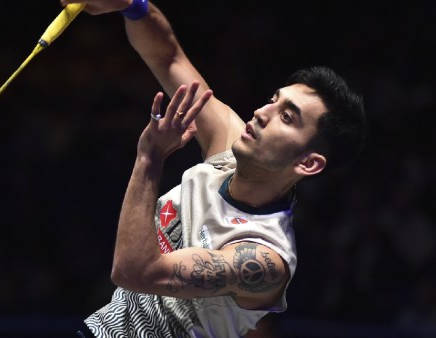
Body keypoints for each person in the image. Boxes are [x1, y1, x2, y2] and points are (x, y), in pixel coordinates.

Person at [62, 0, 368, 337]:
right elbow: (169, 57)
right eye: (273, 100)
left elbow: (135, 271)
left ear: (308, 163)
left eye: (286, 117)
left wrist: (149, 159)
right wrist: (133, 6)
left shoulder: (263, 258)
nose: (261, 112)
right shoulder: (228, 146)